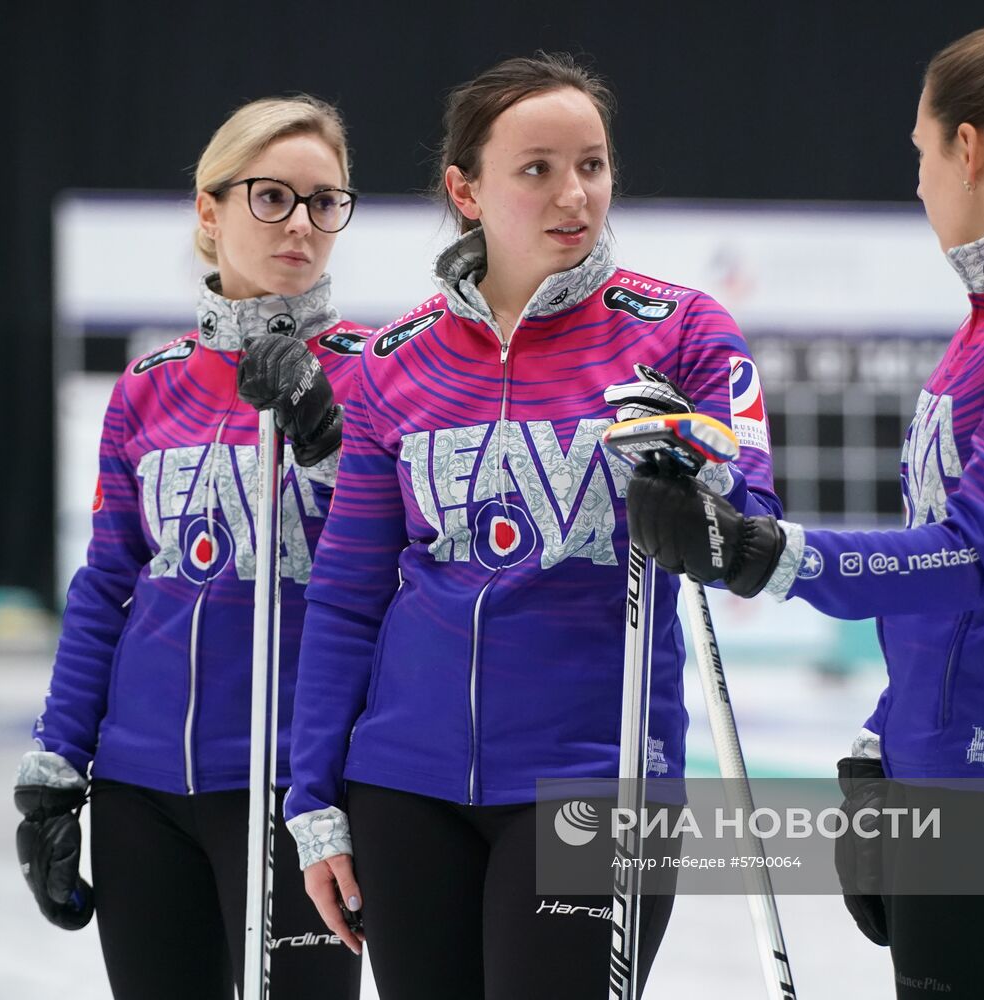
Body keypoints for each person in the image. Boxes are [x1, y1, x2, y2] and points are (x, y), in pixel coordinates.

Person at [624, 22, 984, 1000]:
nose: (918, 181)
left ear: (967, 149)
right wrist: (884, 738)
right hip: (956, 756)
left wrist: (766, 554)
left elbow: (974, 556)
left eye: (920, 152)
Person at [282, 53, 781, 999]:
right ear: (464, 190)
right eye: (537, 168)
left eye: (591, 164)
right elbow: (346, 598)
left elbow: (751, 525)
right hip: (402, 784)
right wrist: (315, 802)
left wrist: (694, 484)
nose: (574, 194)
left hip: (596, 781)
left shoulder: (678, 331)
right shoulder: (396, 360)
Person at [14, 95, 371, 1000]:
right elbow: (106, 585)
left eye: (325, 201)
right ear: (209, 211)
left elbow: (396, 568)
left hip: (300, 788)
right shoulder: (147, 386)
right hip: (142, 791)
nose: (302, 224)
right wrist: (57, 767)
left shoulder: (376, 368)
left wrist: (327, 448)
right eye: (272, 197)